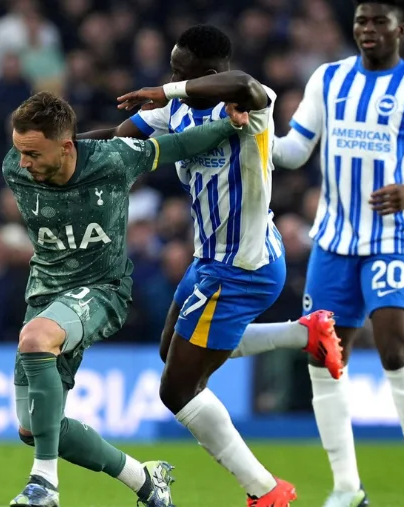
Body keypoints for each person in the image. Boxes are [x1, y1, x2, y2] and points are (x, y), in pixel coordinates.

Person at [80, 25, 345, 507]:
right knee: (172, 352)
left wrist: (167, 89)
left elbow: (245, 83)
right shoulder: (176, 111)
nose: (174, 80)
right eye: (172, 70)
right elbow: (119, 141)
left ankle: (266, 491)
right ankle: (305, 334)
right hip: (210, 259)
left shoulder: (251, 105)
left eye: (184, 74)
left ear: (212, 73)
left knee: (179, 388)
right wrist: (63, 149)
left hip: (241, 267)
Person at [252, 1, 404, 505]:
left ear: (400, 29)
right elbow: (296, 150)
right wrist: (255, 128)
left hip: (391, 239)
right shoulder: (328, 80)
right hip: (334, 241)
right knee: (323, 358)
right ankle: (347, 487)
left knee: (394, 350)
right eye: (361, 20)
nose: (367, 29)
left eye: (378, 21)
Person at [4, 90, 251, 507]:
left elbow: (176, 145)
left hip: (103, 290)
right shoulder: (16, 167)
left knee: (35, 339)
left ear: (66, 146)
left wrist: (229, 124)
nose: (23, 163)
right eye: (19, 151)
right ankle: (146, 480)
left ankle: (44, 485)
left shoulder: (113, 160)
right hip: (44, 295)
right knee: (35, 427)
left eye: (32, 153)